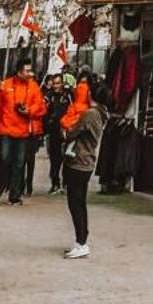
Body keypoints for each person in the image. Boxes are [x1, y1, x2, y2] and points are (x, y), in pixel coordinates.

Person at [59, 72, 107, 259]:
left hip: (79, 160)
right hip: (86, 160)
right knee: (79, 202)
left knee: (76, 202)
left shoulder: (89, 114)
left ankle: (81, 241)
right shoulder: (101, 113)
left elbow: (72, 133)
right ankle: (81, 239)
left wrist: (65, 131)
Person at [0, 59, 46, 205]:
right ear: (19, 71)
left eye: (30, 70)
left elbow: (41, 106)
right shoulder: (6, 85)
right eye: (27, 70)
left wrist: (29, 111)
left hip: (23, 132)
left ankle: (15, 194)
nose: (30, 73)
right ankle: (1, 186)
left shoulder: (33, 87)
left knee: (19, 164)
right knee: (4, 159)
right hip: (6, 129)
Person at [43, 72, 72, 195]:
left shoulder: (68, 96)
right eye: (54, 83)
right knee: (54, 160)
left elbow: (73, 110)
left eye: (58, 83)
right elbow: (44, 113)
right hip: (53, 132)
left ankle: (66, 184)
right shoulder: (49, 97)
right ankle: (55, 183)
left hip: (66, 131)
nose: (56, 86)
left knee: (67, 159)